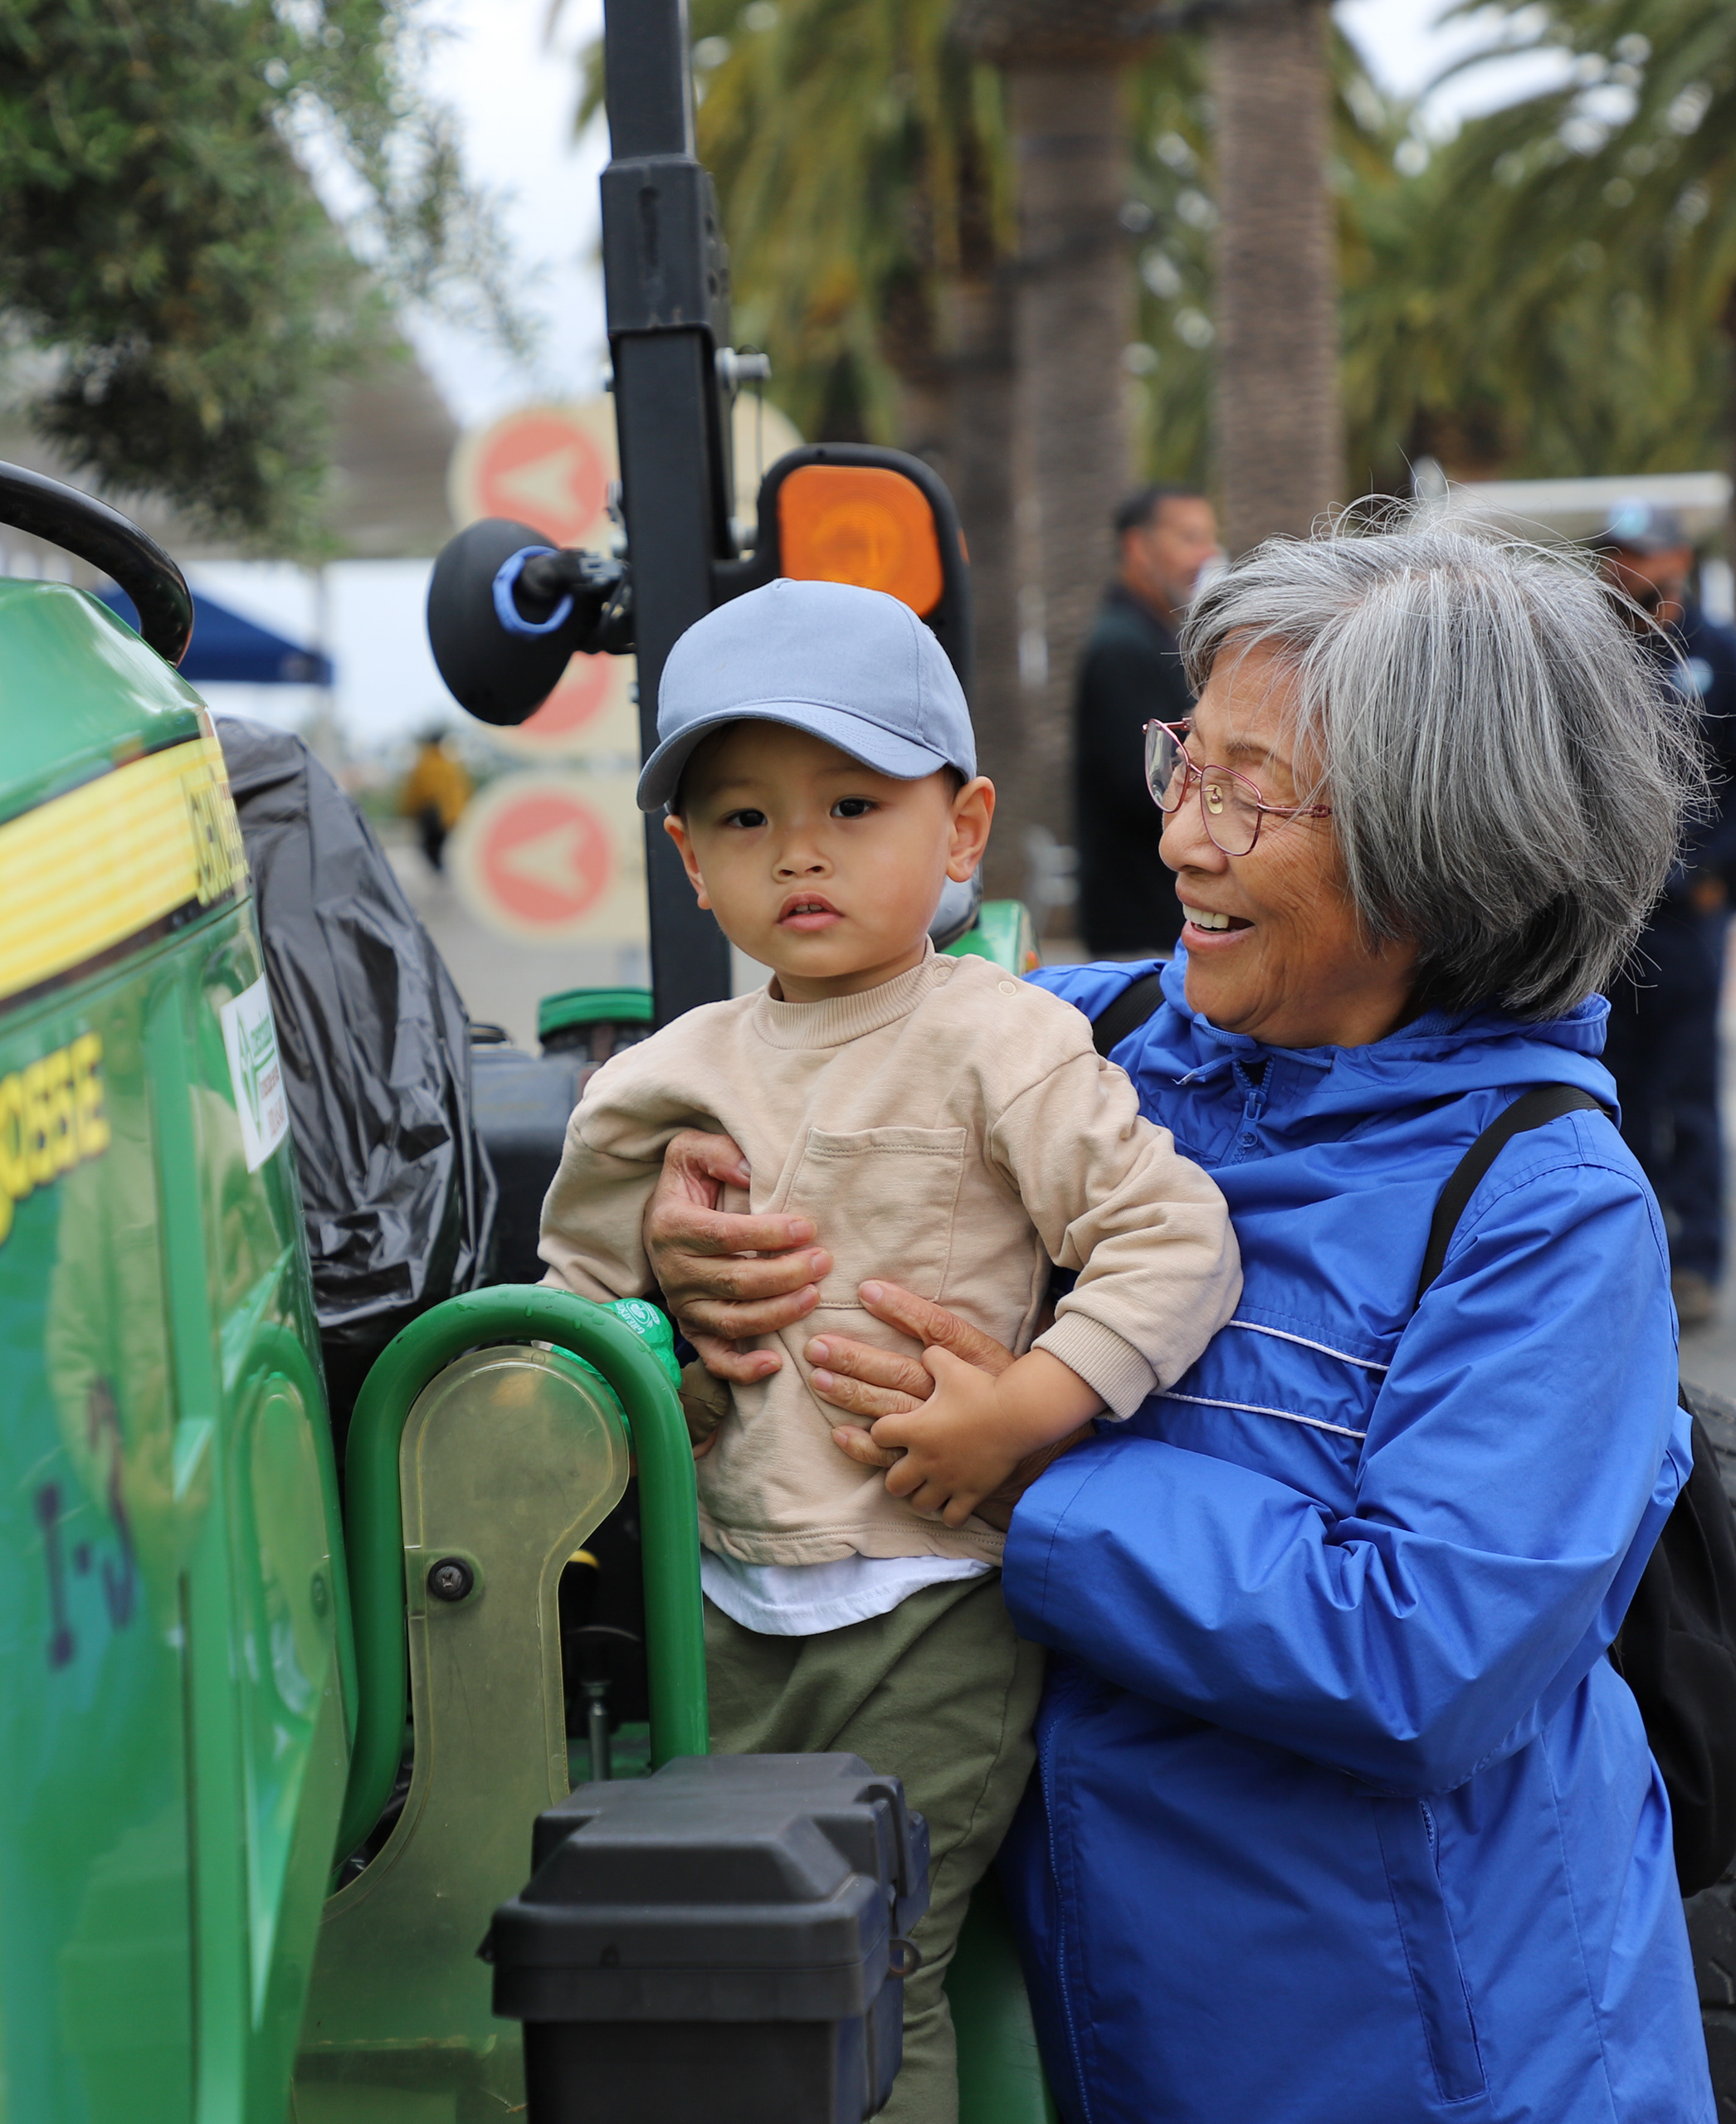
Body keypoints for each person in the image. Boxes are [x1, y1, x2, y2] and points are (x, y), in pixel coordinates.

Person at [637, 524, 1715, 2122]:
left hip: (1424, 2063)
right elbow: (814, 1084)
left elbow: (1425, 1655)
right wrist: (691, 1233)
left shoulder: (1546, 1207)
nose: (1185, 844)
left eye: (1250, 794)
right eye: (1182, 766)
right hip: (1112, 2026)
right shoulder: (1075, 1045)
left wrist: (1030, 1485)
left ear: (1444, 849)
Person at [534, 577, 1242, 2124]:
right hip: (717, 1597)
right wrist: (667, 1340)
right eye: (741, 818)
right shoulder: (659, 1087)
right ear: (688, 861)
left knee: (875, 1946)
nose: (798, 850)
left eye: (853, 803)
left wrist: (1029, 1415)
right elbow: (575, 1321)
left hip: (934, 1602)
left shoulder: (1001, 1042)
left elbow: (1174, 1239)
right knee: (732, 1943)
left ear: (963, 829)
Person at [1592, 501, 1736, 1329]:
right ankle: (1617, 1260)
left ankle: (1696, 1258)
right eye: (1619, 553)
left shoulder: (1724, 655)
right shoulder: (1583, 651)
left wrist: (1714, 870)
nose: (1633, 568)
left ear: (1682, 556)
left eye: (1648, 552)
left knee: (1685, 1095)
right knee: (1602, 1091)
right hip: (1598, 920)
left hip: (1682, 923)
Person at [1072, 485, 1222, 956]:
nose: (1206, 554)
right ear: (1138, 548)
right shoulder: (1122, 647)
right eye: (1189, 537)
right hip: (1140, 929)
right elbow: (1146, 787)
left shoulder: (1157, 634)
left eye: (1208, 539)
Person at [398, 729, 472, 875]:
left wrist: (409, 811)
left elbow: (416, 792)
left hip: (429, 816)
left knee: (430, 847)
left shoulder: (423, 764)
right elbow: (460, 790)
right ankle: (444, 872)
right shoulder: (449, 764)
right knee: (445, 847)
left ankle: (439, 872)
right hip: (449, 817)